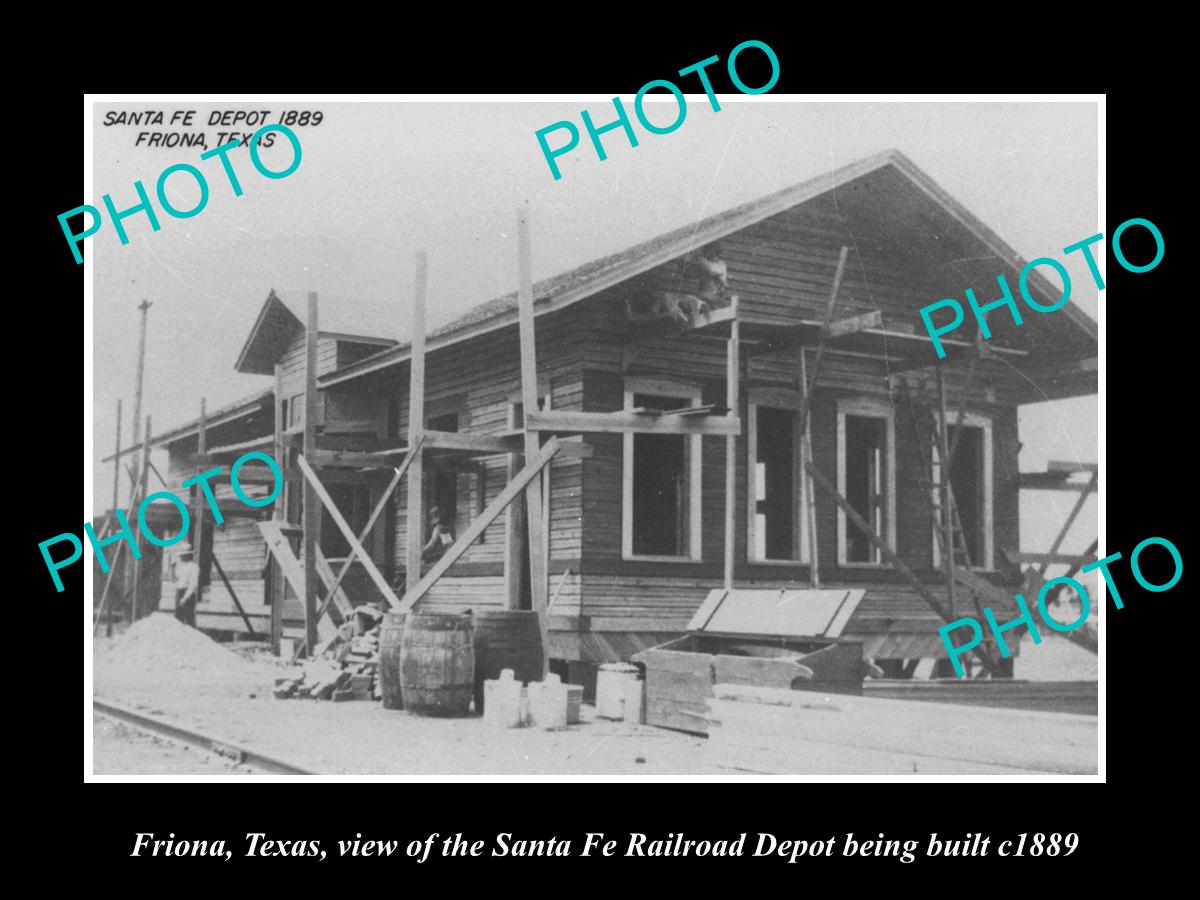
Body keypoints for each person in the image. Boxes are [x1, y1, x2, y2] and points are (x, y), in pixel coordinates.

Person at [420, 504, 455, 574]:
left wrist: (422, 551)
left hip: (440, 553)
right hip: (447, 552)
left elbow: (432, 543)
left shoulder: (438, 528)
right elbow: (450, 543)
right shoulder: (447, 527)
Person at [173, 549, 200, 626]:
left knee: (189, 618)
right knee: (178, 618)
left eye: (183, 555)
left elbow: (193, 585)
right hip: (179, 591)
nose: (181, 557)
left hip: (187, 593)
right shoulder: (179, 566)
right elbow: (177, 580)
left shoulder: (193, 567)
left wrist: (185, 598)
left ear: (188, 555)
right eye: (181, 555)